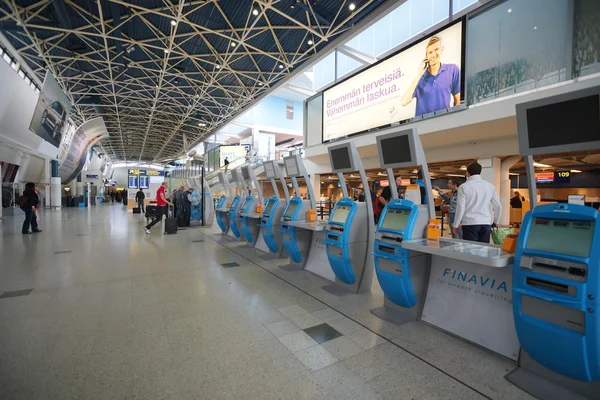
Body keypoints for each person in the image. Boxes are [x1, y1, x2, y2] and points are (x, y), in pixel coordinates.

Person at [401, 35, 461, 117]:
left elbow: (458, 99)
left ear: (441, 49)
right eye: (430, 52)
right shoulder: (420, 79)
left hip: (445, 126)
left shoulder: (453, 70)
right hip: (423, 128)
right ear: (426, 57)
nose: (433, 55)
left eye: (436, 49)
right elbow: (404, 102)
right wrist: (419, 74)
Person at [453, 162, 501, 243]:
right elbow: (498, 206)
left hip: (470, 223)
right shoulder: (490, 186)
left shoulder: (463, 187)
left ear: (467, 173)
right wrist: (496, 221)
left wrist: (456, 224)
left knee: (470, 250)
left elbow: (460, 207)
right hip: (486, 223)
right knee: (484, 250)